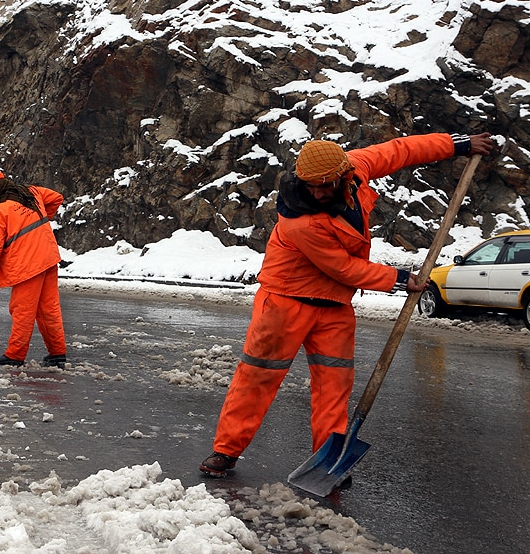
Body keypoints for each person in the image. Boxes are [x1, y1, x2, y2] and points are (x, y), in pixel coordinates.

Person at [199, 132, 497, 482]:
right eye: (311, 186)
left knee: (334, 384)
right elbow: (342, 267)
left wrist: (458, 145)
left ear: (344, 176)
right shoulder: (300, 222)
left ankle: (327, 460)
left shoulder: (356, 168)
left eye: (325, 186)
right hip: (285, 302)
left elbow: (400, 150)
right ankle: (226, 450)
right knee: (259, 375)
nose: (318, 193)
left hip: (335, 305)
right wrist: (399, 278)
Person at [0, 168, 68, 368]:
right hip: (48, 257)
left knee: (22, 311)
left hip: (27, 265)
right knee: (48, 310)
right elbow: (57, 198)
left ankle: (15, 355)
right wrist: (43, 222)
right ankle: (57, 353)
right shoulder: (32, 192)